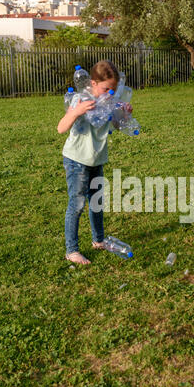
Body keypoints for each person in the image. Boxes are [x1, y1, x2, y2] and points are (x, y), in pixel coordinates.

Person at [57, 60, 132, 265]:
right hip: (77, 159)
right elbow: (61, 128)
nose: (110, 93)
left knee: (97, 202)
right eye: (106, 89)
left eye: (114, 90)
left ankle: (98, 240)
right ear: (93, 83)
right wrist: (76, 111)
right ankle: (72, 250)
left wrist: (124, 113)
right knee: (77, 203)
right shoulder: (81, 99)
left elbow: (117, 124)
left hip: (96, 158)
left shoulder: (109, 102)